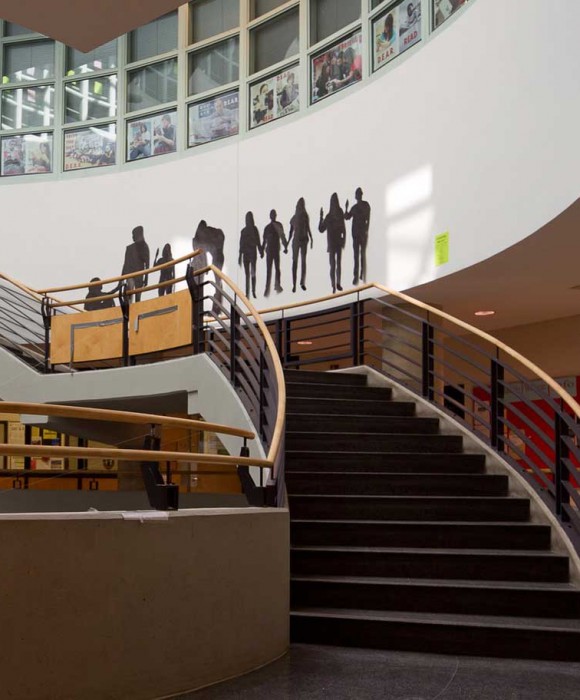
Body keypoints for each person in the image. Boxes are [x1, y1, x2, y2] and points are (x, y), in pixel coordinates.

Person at [192, 220, 226, 314]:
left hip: (216, 256)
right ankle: (210, 308)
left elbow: (211, 253)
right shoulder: (202, 236)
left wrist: (206, 265)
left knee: (216, 281)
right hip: (213, 256)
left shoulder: (211, 234)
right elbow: (201, 255)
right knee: (214, 281)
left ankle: (215, 307)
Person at [319, 193, 346, 294]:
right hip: (332, 242)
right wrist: (321, 217)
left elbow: (343, 228)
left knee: (337, 263)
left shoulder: (339, 214)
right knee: (333, 264)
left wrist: (343, 240)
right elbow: (321, 229)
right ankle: (333, 284)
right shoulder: (329, 216)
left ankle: (337, 283)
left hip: (337, 242)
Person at [345, 187, 371, 285]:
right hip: (355, 234)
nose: (358, 196)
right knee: (356, 254)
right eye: (357, 194)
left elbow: (368, 218)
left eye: (359, 194)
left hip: (362, 233)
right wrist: (346, 208)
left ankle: (362, 274)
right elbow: (347, 217)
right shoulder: (354, 207)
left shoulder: (365, 205)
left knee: (362, 253)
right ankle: (356, 276)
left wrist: (366, 230)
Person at [288, 197, 313, 293]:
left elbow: (308, 228)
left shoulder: (305, 216)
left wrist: (311, 238)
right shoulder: (294, 218)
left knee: (302, 261)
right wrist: (287, 243)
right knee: (296, 262)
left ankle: (302, 282)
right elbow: (291, 232)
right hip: (297, 240)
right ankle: (294, 284)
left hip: (303, 240)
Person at [262, 209, 288, 297]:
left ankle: (277, 285)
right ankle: (267, 288)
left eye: (274, 214)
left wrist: (285, 246)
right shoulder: (267, 228)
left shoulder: (278, 225)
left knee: (277, 268)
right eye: (272, 215)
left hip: (275, 250)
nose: (273, 216)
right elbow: (264, 241)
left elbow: (282, 236)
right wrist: (262, 251)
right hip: (269, 250)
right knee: (269, 270)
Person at [122, 225, 150, 302]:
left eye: (133, 235)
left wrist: (146, 277)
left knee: (137, 296)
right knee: (130, 294)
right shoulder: (129, 248)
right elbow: (125, 264)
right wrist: (122, 278)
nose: (132, 237)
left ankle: (136, 308)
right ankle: (130, 309)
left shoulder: (144, 247)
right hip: (130, 274)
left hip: (139, 274)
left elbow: (147, 264)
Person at [238, 212, 262, 299]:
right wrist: (240, 256)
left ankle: (253, 291)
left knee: (252, 273)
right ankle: (248, 292)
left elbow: (258, 241)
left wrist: (260, 251)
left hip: (251, 253)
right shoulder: (243, 231)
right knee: (248, 274)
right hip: (247, 254)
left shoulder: (254, 229)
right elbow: (241, 244)